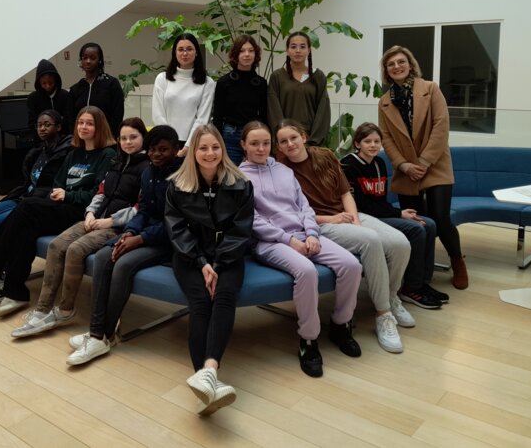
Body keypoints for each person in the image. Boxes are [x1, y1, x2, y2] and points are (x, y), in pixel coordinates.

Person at [0, 106, 117, 317]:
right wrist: (59, 193)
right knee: (27, 229)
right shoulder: (74, 152)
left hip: (82, 212)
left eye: (90, 123)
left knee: (27, 206)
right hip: (62, 206)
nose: (83, 127)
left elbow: (99, 193)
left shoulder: (107, 155)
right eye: (80, 122)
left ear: (99, 127)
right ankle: (16, 292)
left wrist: (68, 195)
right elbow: (58, 181)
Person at [275, 119, 413, 354]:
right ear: (279, 146)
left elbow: (345, 193)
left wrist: (355, 220)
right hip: (319, 224)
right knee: (370, 240)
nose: (290, 144)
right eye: (283, 141)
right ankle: (383, 314)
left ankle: (391, 297)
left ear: (304, 137)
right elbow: (293, 214)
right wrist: (333, 219)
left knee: (400, 243)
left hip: (348, 215)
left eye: (293, 138)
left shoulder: (325, 155)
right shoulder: (281, 171)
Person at [238, 122, 362, 377]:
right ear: (243, 145)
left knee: (351, 265)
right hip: (270, 242)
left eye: (266, 143)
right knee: (306, 271)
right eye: (254, 144)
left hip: (305, 234)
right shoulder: (238, 178)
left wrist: (312, 233)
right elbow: (252, 220)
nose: (261, 149)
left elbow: (304, 206)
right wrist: (289, 240)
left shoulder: (284, 170)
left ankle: (341, 324)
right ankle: (309, 340)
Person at [10, 118, 149, 338]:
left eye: (133, 137)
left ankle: (65, 310)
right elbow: (101, 192)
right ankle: (42, 310)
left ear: (143, 138)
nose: (128, 142)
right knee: (56, 245)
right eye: (123, 138)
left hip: (117, 228)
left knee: (75, 249)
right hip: (94, 218)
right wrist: (90, 212)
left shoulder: (147, 168)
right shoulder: (116, 162)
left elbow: (141, 207)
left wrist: (110, 221)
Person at [66, 125, 182, 366]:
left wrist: (139, 238)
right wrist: (129, 231)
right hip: (144, 232)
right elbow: (144, 210)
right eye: (152, 149)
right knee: (103, 256)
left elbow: (174, 222)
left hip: (169, 240)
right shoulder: (148, 173)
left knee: (122, 264)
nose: (156, 154)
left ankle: (102, 335)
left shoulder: (182, 178)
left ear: (176, 150)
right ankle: (97, 332)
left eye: (163, 150)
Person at [165, 125, 254, 415]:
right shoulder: (176, 185)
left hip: (229, 256)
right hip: (190, 256)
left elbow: (241, 231)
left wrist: (217, 264)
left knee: (225, 297)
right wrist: (202, 263)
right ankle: (206, 380)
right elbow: (177, 230)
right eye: (203, 148)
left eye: (215, 147)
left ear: (223, 150)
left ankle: (209, 372)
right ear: (193, 151)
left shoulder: (241, 183)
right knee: (201, 302)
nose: (210, 153)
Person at [377, 45, 468, 290]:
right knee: (416, 222)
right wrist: (403, 165)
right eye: (391, 64)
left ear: (410, 64)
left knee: (440, 217)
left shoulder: (430, 88)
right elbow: (386, 138)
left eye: (401, 62)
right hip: (407, 170)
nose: (396, 66)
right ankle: (419, 270)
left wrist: (424, 162)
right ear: (386, 70)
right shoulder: (384, 102)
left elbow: (441, 126)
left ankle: (457, 260)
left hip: (435, 164)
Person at [341, 122, 448, 309]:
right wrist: (399, 213)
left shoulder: (380, 163)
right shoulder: (348, 165)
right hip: (362, 217)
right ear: (357, 144)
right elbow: (361, 205)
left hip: (381, 212)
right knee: (416, 229)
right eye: (367, 141)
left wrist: (398, 213)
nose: (373, 145)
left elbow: (380, 201)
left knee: (429, 224)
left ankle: (422, 283)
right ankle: (411, 289)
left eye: (377, 141)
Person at [0, 109, 72, 302]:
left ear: (59, 127)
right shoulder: (39, 151)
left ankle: (0, 272)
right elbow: (28, 181)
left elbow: (54, 186)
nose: (42, 128)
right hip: (25, 197)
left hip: (38, 202)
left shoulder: (66, 151)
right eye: (39, 125)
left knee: (0, 221)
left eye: (47, 125)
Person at [152, 33, 215, 154]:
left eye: (189, 49)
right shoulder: (162, 79)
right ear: (175, 53)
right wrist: (169, 143)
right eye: (180, 49)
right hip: (166, 143)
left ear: (196, 52)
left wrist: (187, 147)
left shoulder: (207, 83)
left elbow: (202, 118)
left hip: (193, 144)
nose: (185, 53)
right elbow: (158, 114)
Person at [267, 31, 331, 147]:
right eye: (293, 47)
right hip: (286, 142)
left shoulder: (318, 76)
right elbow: (274, 110)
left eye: (302, 47)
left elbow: (323, 110)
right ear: (287, 50)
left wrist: (313, 141)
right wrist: (284, 137)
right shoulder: (277, 76)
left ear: (309, 50)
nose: (298, 50)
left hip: (311, 141)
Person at [212, 35, 268, 164]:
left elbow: (264, 115)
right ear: (235, 54)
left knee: (256, 171)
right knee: (232, 173)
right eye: (242, 51)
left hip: (254, 135)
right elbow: (217, 116)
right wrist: (217, 141)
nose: (247, 54)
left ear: (256, 54)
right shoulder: (224, 82)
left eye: (251, 50)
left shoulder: (261, 83)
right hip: (230, 135)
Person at [68, 42, 125, 138]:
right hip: (82, 139)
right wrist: (75, 137)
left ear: (100, 60)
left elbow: (118, 113)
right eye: (85, 58)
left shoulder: (111, 83)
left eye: (93, 58)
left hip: (106, 138)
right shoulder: (75, 89)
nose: (88, 61)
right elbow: (71, 118)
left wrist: (110, 136)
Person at [27, 59, 71, 137]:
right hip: (42, 139)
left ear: (55, 80)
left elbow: (69, 119)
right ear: (39, 83)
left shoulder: (65, 95)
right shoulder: (33, 98)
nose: (48, 86)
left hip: (64, 137)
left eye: (51, 82)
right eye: (44, 83)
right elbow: (32, 123)